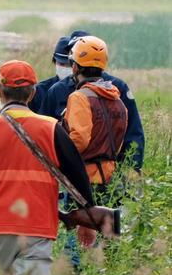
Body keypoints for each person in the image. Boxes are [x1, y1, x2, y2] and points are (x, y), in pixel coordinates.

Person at [0, 60, 94, 275]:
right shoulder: (51, 128)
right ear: (32, 93)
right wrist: (88, 218)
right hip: (36, 227)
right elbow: (79, 177)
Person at [39, 30, 144, 171]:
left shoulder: (116, 89)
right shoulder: (113, 92)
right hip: (106, 174)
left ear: (74, 65)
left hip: (86, 174)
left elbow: (132, 134)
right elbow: (44, 132)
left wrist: (131, 171)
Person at [63, 36, 128, 203]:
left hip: (84, 180)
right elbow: (118, 143)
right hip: (111, 180)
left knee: (82, 228)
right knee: (108, 228)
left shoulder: (79, 97)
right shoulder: (118, 101)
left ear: (75, 67)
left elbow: (79, 140)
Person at [27, 36, 72, 111]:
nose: (65, 68)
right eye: (62, 64)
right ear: (54, 61)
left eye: (69, 65)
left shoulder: (86, 91)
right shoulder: (40, 91)